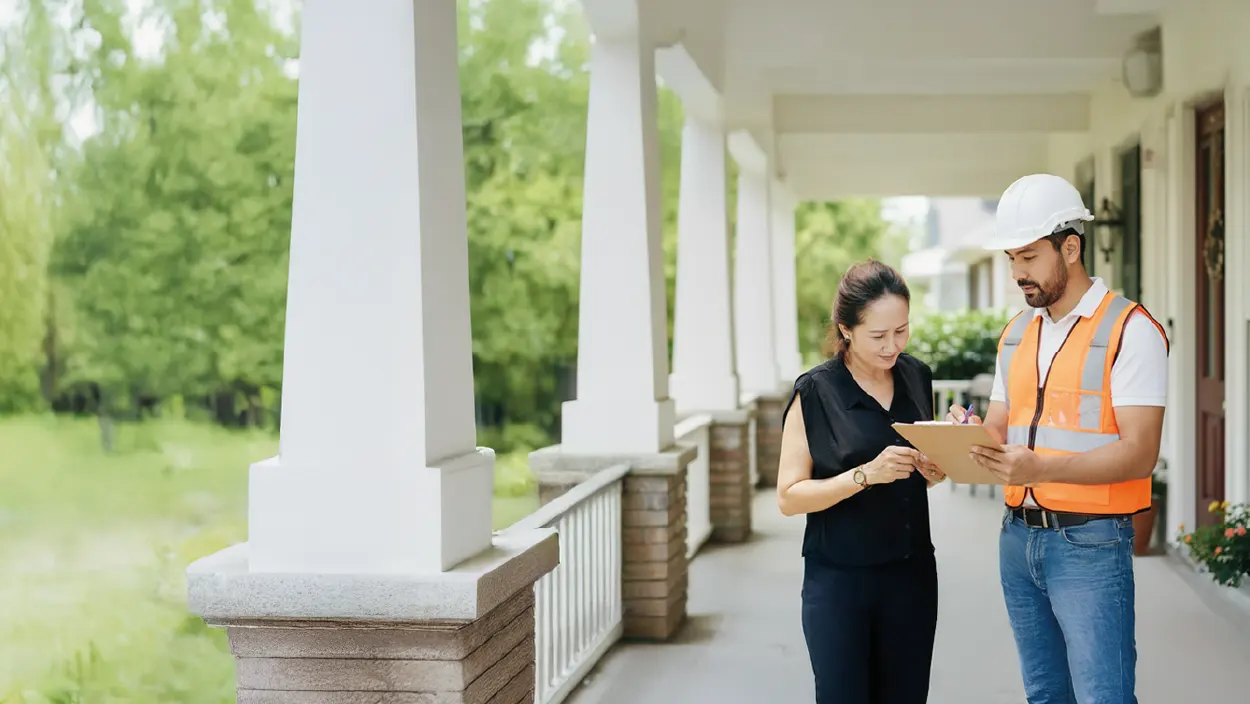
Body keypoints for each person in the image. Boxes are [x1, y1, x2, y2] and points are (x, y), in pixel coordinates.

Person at [948, 173, 1169, 704]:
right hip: (1017, 537)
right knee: (1046, 696)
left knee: (1103, 697)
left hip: (1090, 544)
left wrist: (1042, 469)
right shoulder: (1018, 332)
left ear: (1070, 248)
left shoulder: (1130, 329)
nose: (1018, 273)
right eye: (1011, 260)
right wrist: (960, 439)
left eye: (1028, 257)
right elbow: (999, 428)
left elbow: (1140, 454)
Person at [777, 259, 948, 704]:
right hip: (839, 583)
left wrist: (936, 469)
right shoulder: (815, 392)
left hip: (911, 577)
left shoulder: (916, 375)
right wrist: (865, 475)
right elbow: (790, 497)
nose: (893, 346)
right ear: (846, 329)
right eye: (878, 336)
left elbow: (912, 474)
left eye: (902, 331)